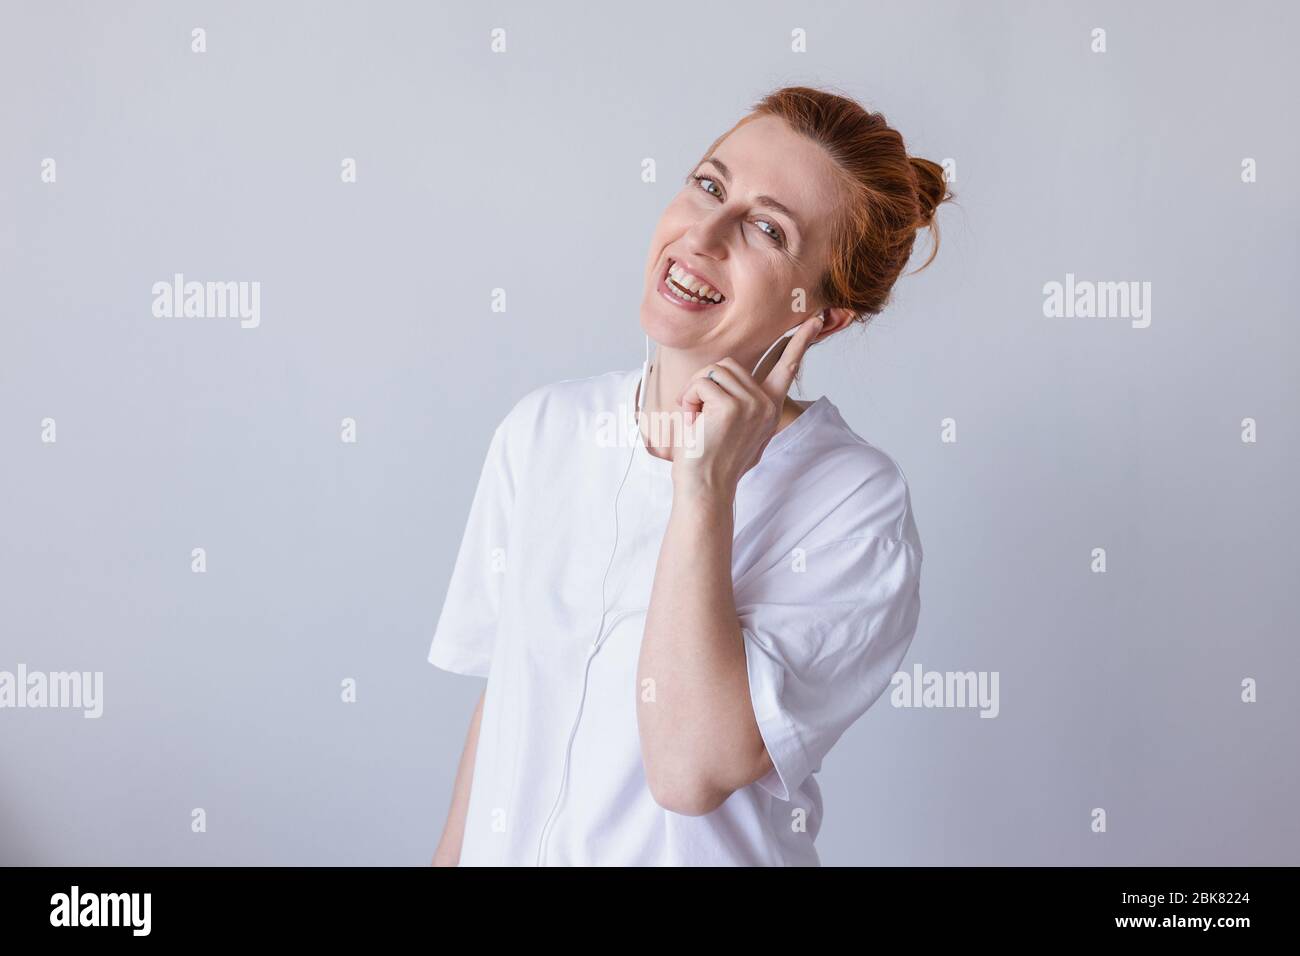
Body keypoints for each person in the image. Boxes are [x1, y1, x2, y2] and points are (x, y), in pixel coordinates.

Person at [429, 86, 951, 866]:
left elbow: (689, 768)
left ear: (824, 316)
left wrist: (705, 490)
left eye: (767, 229)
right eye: (709, 185)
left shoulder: (852, 501)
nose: (703, 234)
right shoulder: (545, 430)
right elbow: (503, 708)